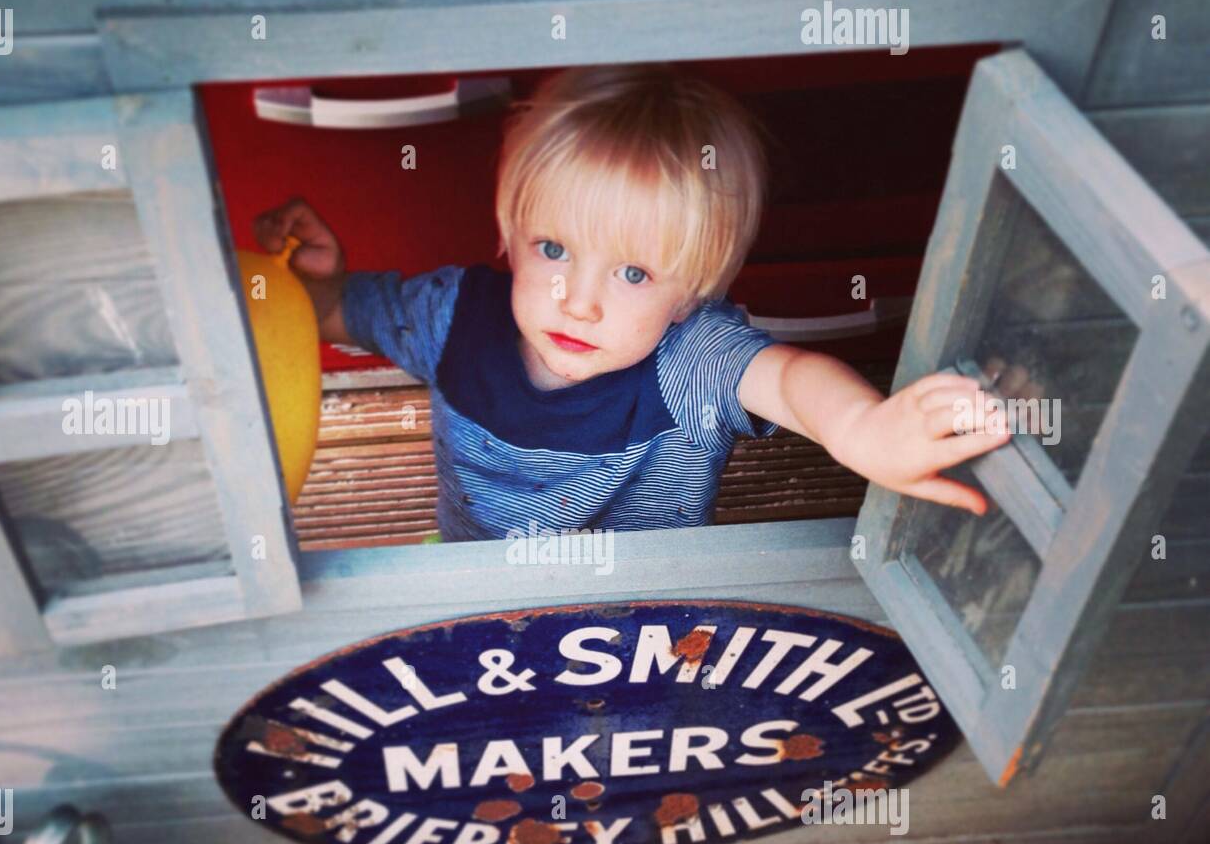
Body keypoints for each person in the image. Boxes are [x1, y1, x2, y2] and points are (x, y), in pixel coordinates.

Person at [254, 63, 1011, 543]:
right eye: (553, 250)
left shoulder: (688, 360)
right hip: (474, 592)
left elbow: (786, 380)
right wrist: (317, 284)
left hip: (649, 619)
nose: (578, 303)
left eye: (636, 275)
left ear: (694, 293)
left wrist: (862, 429)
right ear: (512, 237)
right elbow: (332, 318)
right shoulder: (449, 314)